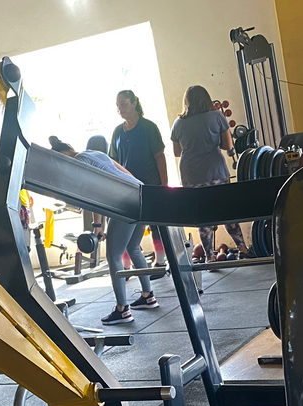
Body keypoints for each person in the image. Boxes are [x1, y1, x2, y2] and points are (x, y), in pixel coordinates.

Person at [51, 136, 159, 325]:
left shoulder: (79, 162)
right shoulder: (95, 153)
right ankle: (148, 297)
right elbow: (126, 173)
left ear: (62, 154)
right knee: (133, 248)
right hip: (141, 194)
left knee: (113, 255)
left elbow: (95, 193)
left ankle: (122, 310)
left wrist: (97, 225)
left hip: (125, 202)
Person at [170, 85, 251, 257]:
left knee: (203, 217)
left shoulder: (178, 123)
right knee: (227, 211)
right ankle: (243, 249)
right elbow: (227, 145)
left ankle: (209, 256)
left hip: (191, 175)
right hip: (216, 172)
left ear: (187, 102)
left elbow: (177, 152)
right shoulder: (216, 116)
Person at [110, 90, 169, 266]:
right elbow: (114, 161)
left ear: (134, 103)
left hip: (150, 184)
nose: (120, 109)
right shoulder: (117, 132)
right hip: (128, 187)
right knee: (127, 225)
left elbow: (160, 156)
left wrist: (164, 184)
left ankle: (160, 261)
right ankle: (126, 265)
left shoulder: (148, 127)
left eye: (123, 104)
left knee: (155, 225)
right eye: (118, 105)